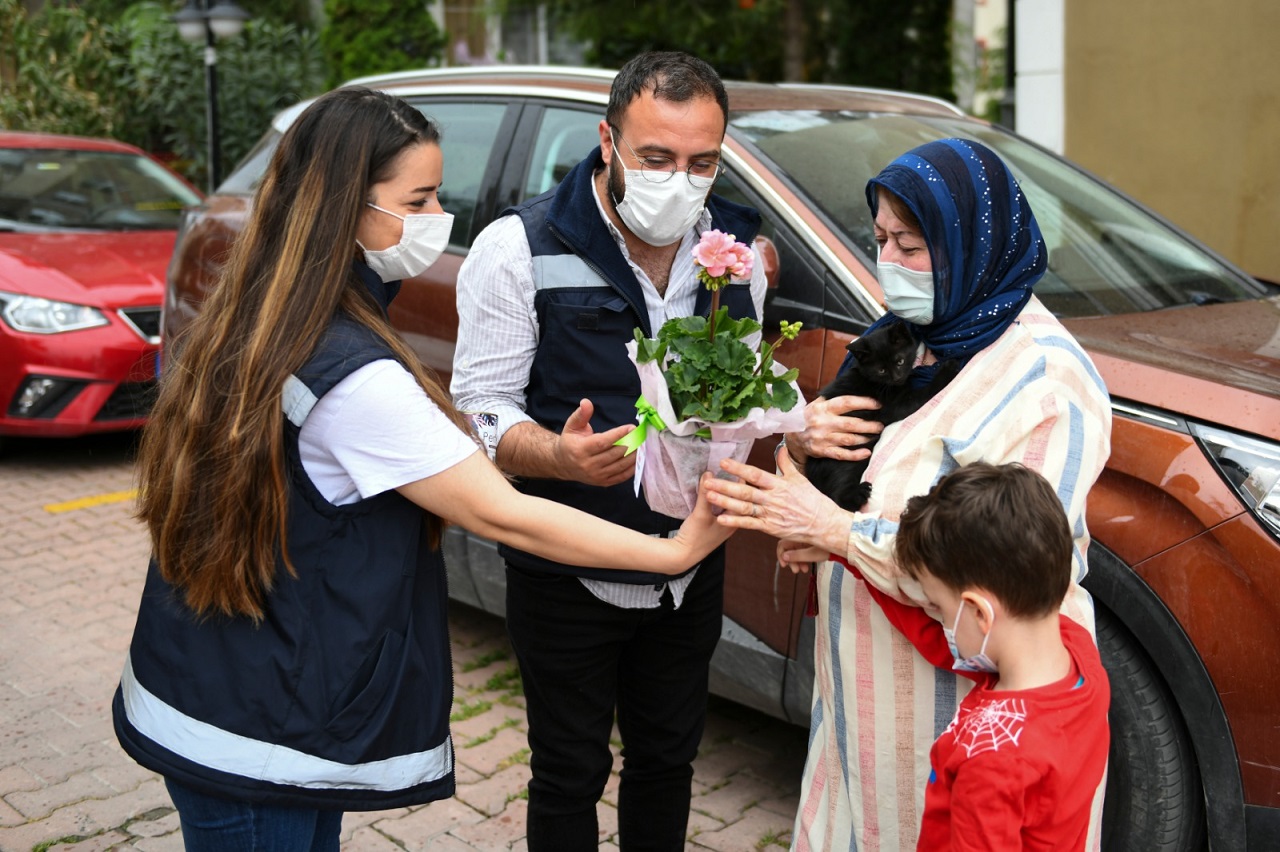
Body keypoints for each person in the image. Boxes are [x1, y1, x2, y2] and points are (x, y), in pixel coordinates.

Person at [111, 86, 731, 852]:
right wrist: (676, 551)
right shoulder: (351, 371)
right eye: (421, 197)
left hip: (217, 682)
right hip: (259, 734)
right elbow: (500, 510)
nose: (441, 216)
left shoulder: (261, 314)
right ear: (347, 206)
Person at [702, 137, 1113, 850]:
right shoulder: (912, 339)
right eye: (881, 238)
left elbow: (1009, 572)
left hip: (952, 708)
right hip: (861, 695)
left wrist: (836, 534)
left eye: (912, 246)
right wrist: (803, 455)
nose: (888, 262)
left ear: (972, 244)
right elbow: (856, 470)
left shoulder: (1049, 386)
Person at [450, 51, 767, 851]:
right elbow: (484, 409)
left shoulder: (732, 256)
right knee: (568, 769)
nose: (680, 180)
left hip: (689, 565)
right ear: (608, 142)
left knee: (668, 761)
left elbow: (743, 399)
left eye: (703, 162)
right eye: (657, 158)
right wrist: (558, 456)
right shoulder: (517, 247)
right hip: (566, 571)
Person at [855, 462, 1110, 851]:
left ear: (979, 612)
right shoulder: (1077, 655)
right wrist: (849, 558)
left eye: (938, 608)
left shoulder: (992, 760)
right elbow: (940, 643)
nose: (938, 620)